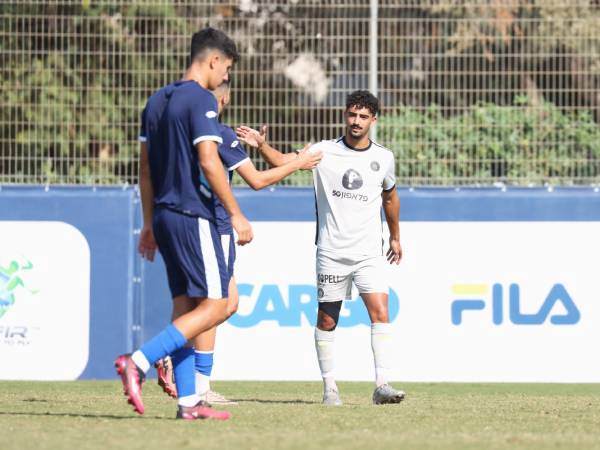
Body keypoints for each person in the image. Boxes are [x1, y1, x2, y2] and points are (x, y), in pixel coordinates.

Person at [154, 81, 322, 404]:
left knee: (217, 304)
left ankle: (199, 383)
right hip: (217, 226)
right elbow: (257, 180)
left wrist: (267, 148)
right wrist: (298, 164)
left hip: (191, 222)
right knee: (222, 304)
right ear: (225, 97)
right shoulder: (220, 133)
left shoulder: (183, 133)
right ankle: (171, 352)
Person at [236, 90, 405, 406]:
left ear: (373, 120)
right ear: (345, 115)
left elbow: (390, 198)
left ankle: (382, 384)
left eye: (363, 116)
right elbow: (283, 162)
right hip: (331, 252)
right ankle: (330, 389)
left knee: (381, 313)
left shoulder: (383, 157)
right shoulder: (323, 151)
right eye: (352, 115)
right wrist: (261, 146)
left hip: (369, 252)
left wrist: (395, 236)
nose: (356, 121)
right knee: (328, 320)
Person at [115, 27, 250, 421]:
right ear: (214, 61)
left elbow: (144, 169)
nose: (226, 77)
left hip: (164, 215)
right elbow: (209, 161)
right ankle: (138, 362)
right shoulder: (200, 98)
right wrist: (236, 213)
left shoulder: (156, 100)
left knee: (185, 308)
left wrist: (148, 223)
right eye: (226, 68)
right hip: (194, 215)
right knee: (217, 304)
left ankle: (189, 403)